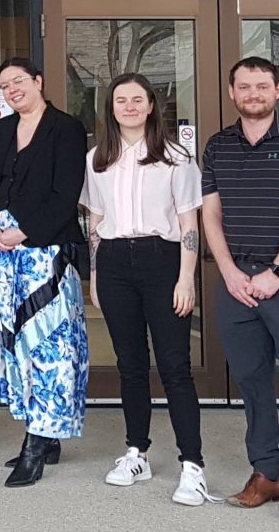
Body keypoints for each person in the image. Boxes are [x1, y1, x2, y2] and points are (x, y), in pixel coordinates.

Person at [201, 56, 279, 519]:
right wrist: (230, 272)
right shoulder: (218, 146)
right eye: (243, 86)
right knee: (252, 383)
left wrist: (274, 272)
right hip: (236, 284)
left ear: (277, 91)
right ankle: (266, 475)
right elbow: (210, 215)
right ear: (232, 93)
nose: (252, 93)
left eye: (261, 86)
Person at [81, 73, 213, 505]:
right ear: (111, 107)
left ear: (152, 106)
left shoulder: (175, 157)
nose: (130, 106)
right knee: (130, 364)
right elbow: (95, 224)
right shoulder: (97, 158)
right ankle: (136, 451)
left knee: (175, 365)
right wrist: (97, 276)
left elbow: (189, 223)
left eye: (138, 99)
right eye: (121, 100)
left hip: (164, 261)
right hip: (116, 264)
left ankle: (192, 465)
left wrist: (186, 279)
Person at [0, 57, 89, 488]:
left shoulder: (66, 128)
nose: (12, 89)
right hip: (0, 256)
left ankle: (36, 446)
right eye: (4, 85)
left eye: (18, 81)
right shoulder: (1, 130)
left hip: (43, 253)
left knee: (48, 347)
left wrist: (23, 231)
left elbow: (65, 193)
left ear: (39, 81)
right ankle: (44, 432)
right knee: (16, 346)